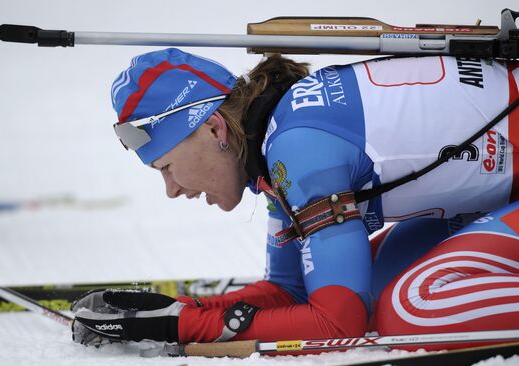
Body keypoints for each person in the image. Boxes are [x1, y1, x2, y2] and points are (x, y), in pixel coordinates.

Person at [71, 48, 519, 352]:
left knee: (410, 309)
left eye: (166, 167)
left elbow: (336, 324)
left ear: (213, 129)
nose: (172, 189)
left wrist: (187, 328)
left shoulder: (299, 151)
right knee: (378, 291)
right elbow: (291, 291)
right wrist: (183, 312)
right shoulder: (277, 147)